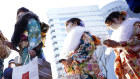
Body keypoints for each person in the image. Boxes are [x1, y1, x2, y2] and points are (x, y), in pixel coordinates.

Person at [103, 11, 140, 79]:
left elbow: (138, 40)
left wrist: (118, 44)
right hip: (126, 64)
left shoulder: (134, 24)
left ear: (120, 17)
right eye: (108, 25)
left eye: (111, 23)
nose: (111, 26)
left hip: (136, 61)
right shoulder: (116, 34)